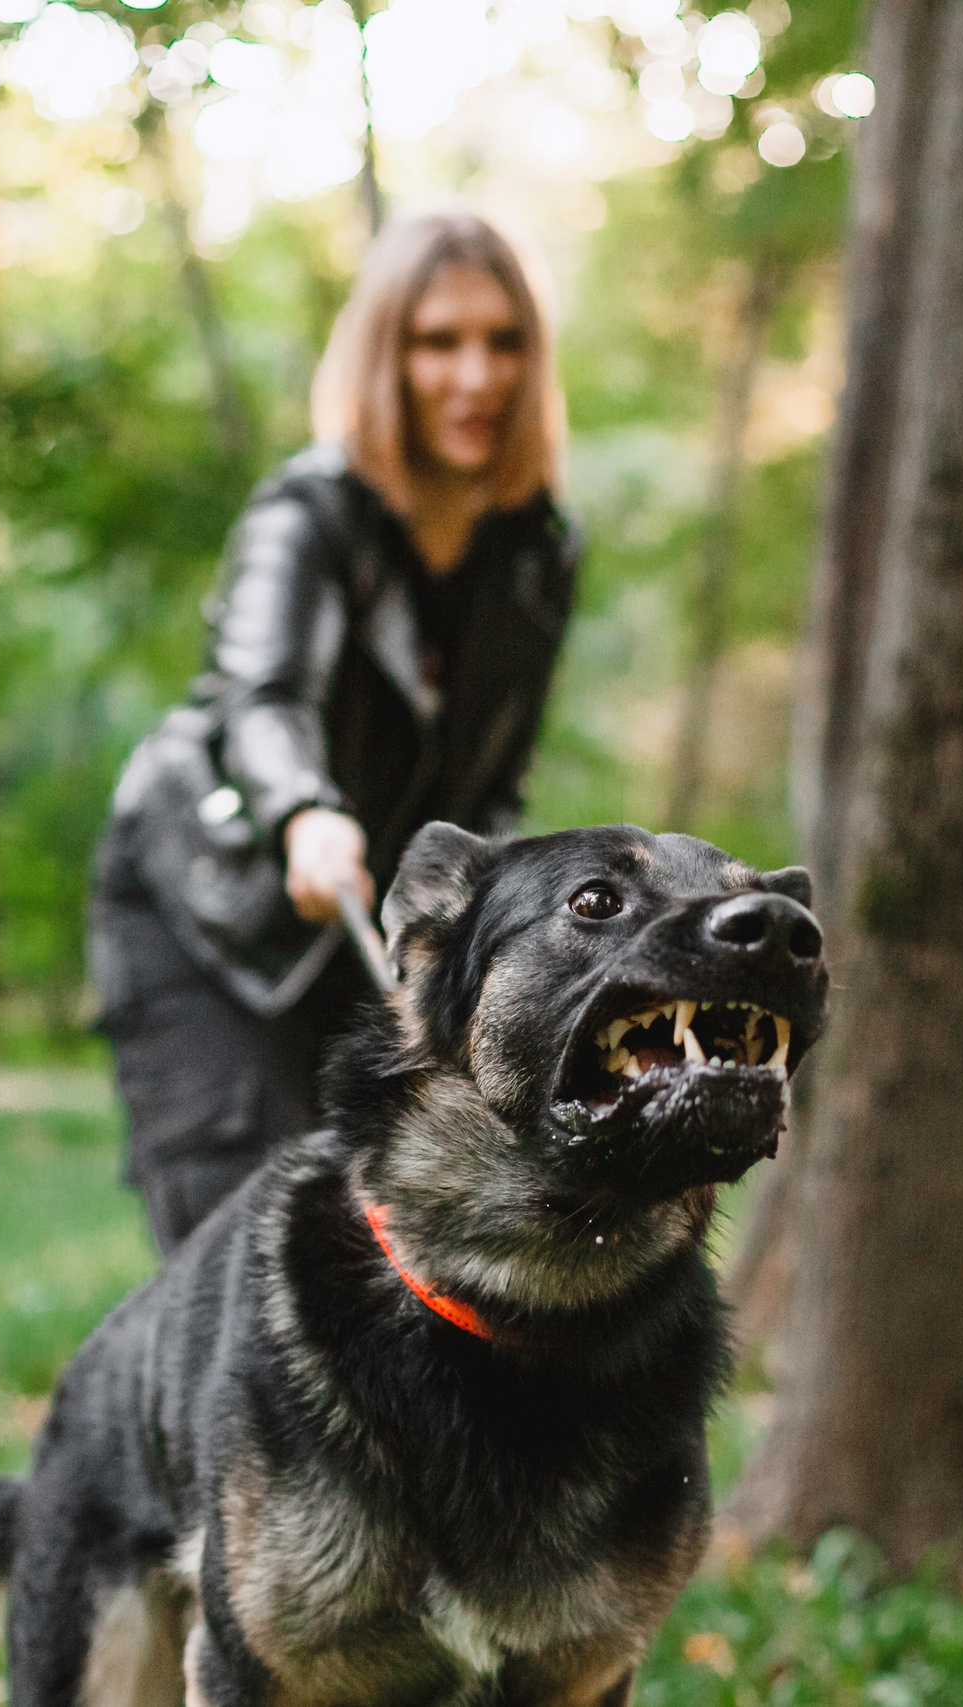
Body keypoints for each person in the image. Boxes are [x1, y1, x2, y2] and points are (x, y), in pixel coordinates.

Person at [88, 210, 580, 1254]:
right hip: (215, 911)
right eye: (437, 341)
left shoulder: (539, 556)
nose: (474, 376)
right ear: (384, 355)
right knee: (240, 1247)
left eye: (502, 342)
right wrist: (305, 811)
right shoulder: (307, 514)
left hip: (375, 945)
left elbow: (491, 786)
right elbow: (260, 698)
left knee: (380, 1253)